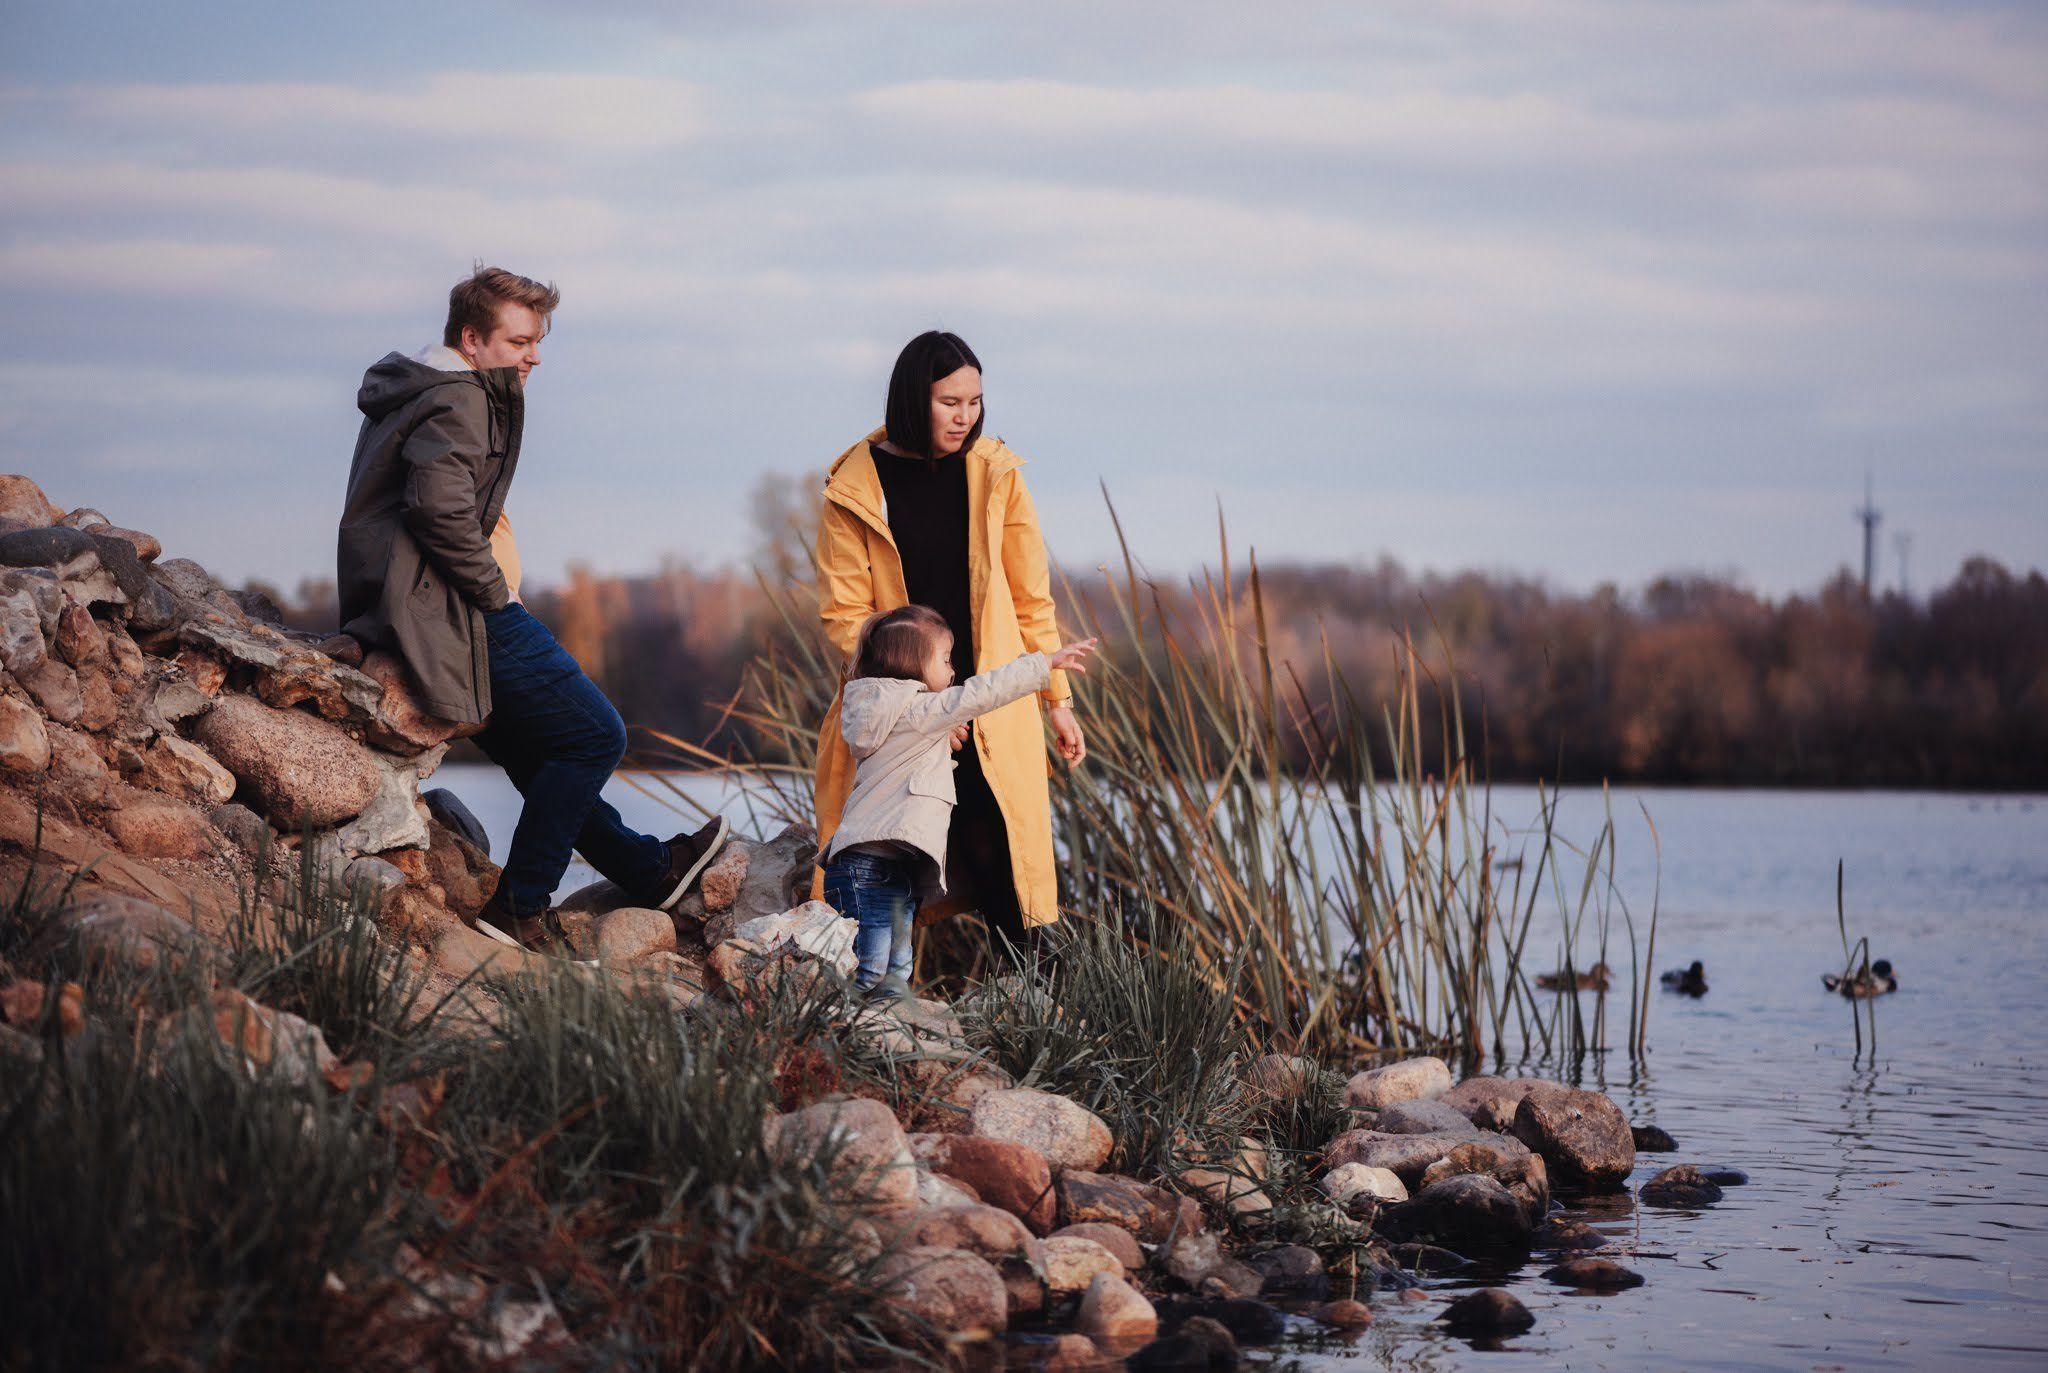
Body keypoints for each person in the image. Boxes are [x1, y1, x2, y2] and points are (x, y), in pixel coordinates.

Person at [337, 265, 727, 954]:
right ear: (472, 338)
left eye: (538, 341)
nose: (533, 355)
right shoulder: (457, 398)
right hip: (456, 614)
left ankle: (649, 870)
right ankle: (519, 905)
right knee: (596, 735)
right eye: (520, 340)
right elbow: (439, 509)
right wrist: (494, 591)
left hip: (417, 610)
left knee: (542, 755)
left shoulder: (416, 391)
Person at [813, 331, 1085, 959]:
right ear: (913, 399)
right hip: (902, 711)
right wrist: (926, 705)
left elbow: (1030, 597)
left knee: (1004, 853)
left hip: (994, 703)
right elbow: (846, 616)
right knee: (891, 856)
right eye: (949, 402)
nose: (966, 416)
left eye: (975, 402)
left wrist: (1058, 700)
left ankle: (1039, 1007)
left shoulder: (997, 475)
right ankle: (881, 1016)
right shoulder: (854, 489)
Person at [826, 604, 1097, 998]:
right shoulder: (919, 711)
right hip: (870, 868)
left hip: (876, 864)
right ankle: (838, 1040)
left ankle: (882, 1043)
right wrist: (1044, 665)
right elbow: (980, 693)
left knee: (894, 967)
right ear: (914, 664)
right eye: (946, 659)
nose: (953, 670)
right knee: (870, 969)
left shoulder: (882, 709)